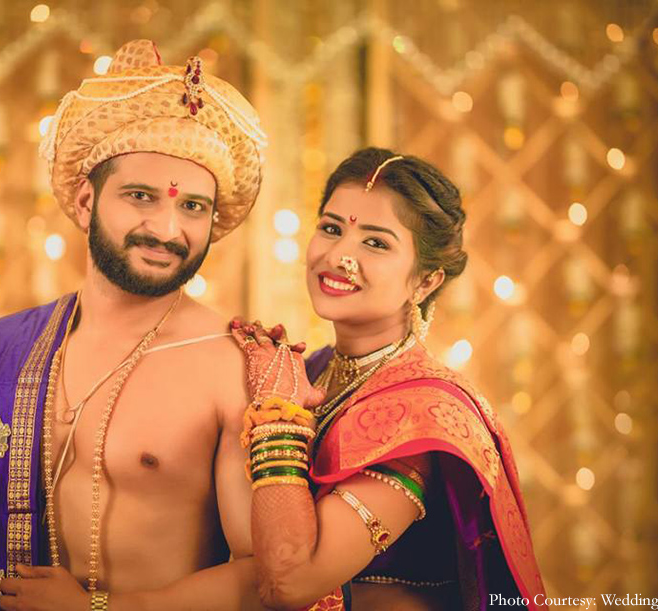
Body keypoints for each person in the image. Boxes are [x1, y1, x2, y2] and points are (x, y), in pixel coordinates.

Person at [0, 39, 269, 610]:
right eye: (140, 196)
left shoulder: (235, 364)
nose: (167, 229)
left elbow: (263, 576)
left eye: (192, 207)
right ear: (84, 202)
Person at [231, 147, 547, 610]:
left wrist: (278, 416)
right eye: (331, 228)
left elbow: (289, 584)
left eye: (376, 243)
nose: (339, 255)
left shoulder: (422, 412)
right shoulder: (313, 370)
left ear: (426, 281)